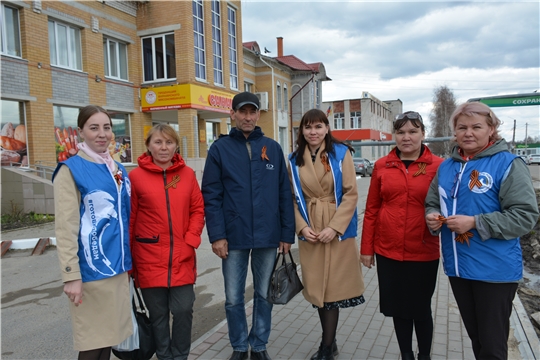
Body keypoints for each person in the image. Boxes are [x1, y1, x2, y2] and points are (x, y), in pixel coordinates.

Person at [425, 102, 539, 360]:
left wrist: (475, 222)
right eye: (462, 127)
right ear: (454, 132)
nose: (468, 133)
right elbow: (433, 201)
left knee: (492, 346)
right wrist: (431, 216)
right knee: (477, 340)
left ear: (491, 129)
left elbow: (525, 216)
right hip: (458, 268)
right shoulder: (447, 167)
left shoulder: (508, 164)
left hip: (494, 272)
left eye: (477, 127)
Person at [201, 91, 295, 360]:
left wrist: (286, 233)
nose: (248, 117)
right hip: (234, 236)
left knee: (264, 295)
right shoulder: (219, 150)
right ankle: (240, 346)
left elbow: (283, 195)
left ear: (258, 114)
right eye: (242, 111)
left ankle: (260, 345)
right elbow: (212, 195)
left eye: (252, 112)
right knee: (233, 298)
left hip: (268, 236)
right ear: (232, 114)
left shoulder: (272, 148)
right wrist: (217, 235)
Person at [360, 111, 443, 360]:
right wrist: (366, 248)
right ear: (394, 135)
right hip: (388, 250)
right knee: (398, 308)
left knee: (420, 308)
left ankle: (424, 355)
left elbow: (449, 205)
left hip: (423, 250)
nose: (406, 137)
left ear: (423, 134)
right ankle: (406, 354)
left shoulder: (439, 166)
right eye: (401, 132)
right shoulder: (382, 166)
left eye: (413, 131)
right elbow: (372, 209)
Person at [53, 105, 132, 360]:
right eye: (94, 127)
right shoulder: (71, 170)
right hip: (90, 274)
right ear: (81, 132)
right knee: (91, 343)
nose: (102, 134)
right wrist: (71, 276)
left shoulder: (118, 169)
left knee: (108, 340)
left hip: (118, 270)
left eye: (106, 127)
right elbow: (66, 228)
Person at [288, 109, 365, 360]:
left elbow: (351, 193)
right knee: (319, 290)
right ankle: (329, 343)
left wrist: (334, 227)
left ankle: (326, 346)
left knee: (332, 291)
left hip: (336, 228)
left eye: (319, 126)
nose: (313, 132)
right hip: (311, 227)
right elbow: (291, 199)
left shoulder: (340, 154)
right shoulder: (293, 159)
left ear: (327, 128)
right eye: (308, 127)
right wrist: (301, 227)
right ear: (301, 130)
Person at [129, 124, 205, 360]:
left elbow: (197, 209)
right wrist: (129, 261)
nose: (164, 147)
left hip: (182, 256)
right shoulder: (135, 177)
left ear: (176, 145)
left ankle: (180, 356)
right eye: (158, 142)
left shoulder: (187, 175)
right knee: (158, 315)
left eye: (169, 142)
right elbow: (130, 220)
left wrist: (190, 241)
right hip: (148, 257)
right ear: (149, 146)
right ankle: (164, 356)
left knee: (183, 309)